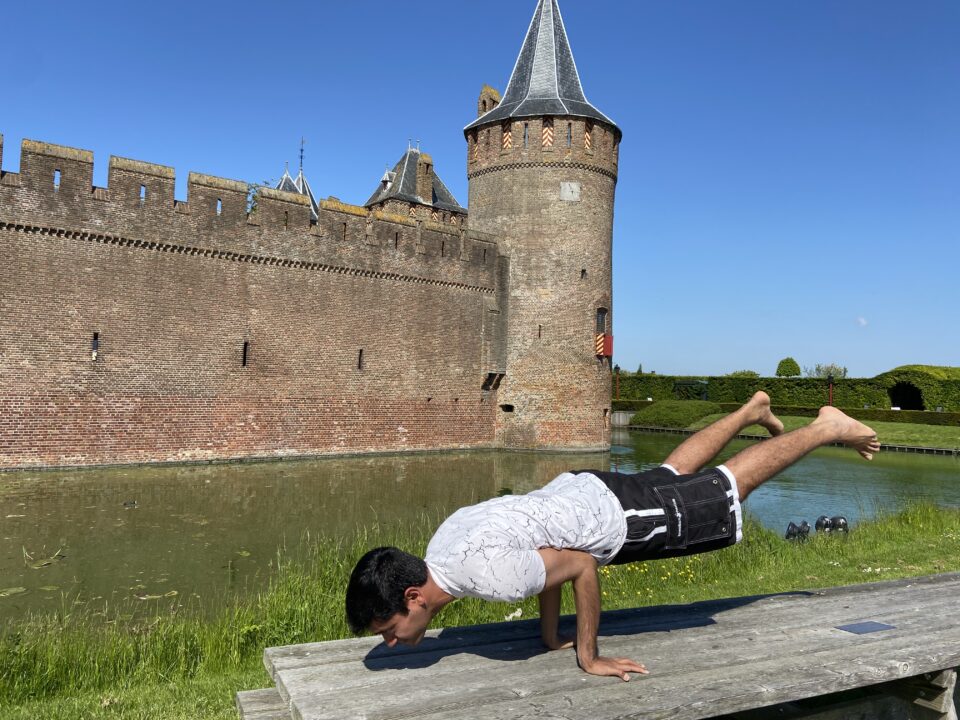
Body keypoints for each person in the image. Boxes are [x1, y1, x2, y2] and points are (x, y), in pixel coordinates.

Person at [345, 392, 880, 681]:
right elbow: (540, 558)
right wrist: (548, 636)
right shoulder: (443, 545)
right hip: (582, 489)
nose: (391, 640)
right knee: (671, 476)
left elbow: (576, 564)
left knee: (723, 492)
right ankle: (751, 410)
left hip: (612, 519)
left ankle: (825, 427)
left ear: (413, 597)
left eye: (388, 629)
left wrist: (587, 654)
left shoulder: (485, 576)